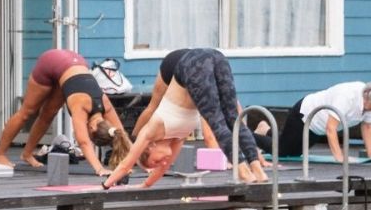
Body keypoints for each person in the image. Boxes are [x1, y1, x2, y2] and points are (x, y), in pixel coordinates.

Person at [104, 48, 267, 189]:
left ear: (150, 148)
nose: (161, 164)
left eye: (155, 162)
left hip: (190, 64)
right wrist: (146, 184)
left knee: (219, 124)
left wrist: (106, 185)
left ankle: (245, 172)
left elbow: (126, 163)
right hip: (215, 56)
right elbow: (164, 167)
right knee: (233, 120)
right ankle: (257, 171)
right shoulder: (178, 138)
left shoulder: (151, 131)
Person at [0, 48, 132, 176]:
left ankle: (27, 154)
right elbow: (83, 142)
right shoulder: (81, 106)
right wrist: (99, 168)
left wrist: (134, 165)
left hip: (72, 64)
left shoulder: (105, 105)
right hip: (52, 62)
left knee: (48, 113)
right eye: (91, 136)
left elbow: (122, 136)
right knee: (27, 112)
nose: (87, 135)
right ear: (92, 127)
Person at [252, 81, 371, 161]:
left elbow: (368, 127)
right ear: (367, 98)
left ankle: (266, 129)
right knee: (281, 152)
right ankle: (248, 134)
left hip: (317, 127)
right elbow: (330, 129)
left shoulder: (370, 105)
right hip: (305, 115)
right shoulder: (346, 97)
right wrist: (339, 157)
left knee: (294, 153)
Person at [131, 49, 223, 149]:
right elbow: (209, 138)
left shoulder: (225, 89)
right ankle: (130, 145)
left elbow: (238, 121)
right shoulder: (208, 92)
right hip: (174, 63)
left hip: (191, 64)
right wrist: (229, 163)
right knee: (154, 107)